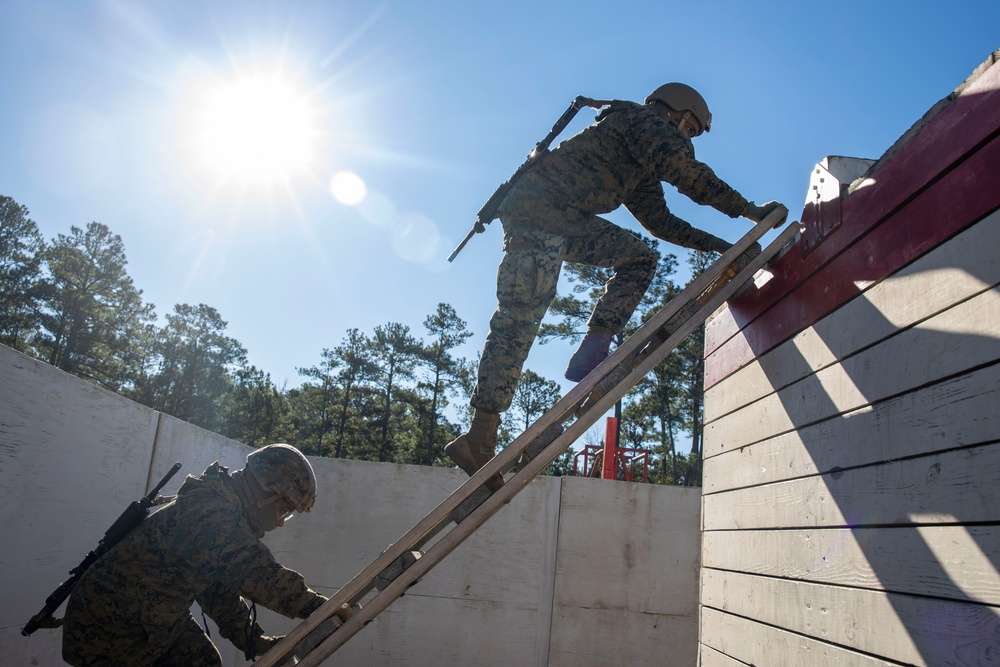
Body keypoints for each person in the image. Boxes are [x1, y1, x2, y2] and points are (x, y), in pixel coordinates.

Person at [446, 82, 784, 487]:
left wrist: (723, 248)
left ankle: (593, 349)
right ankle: (479, 437)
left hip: (564, 220)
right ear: (674, 113)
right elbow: (688, 175)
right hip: (538, 218)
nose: (687, 139)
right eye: (689, 129)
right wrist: (748, 211)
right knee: (518, 321)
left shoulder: (635, 157)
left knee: (638, 256)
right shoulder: (641, 123)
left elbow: (661, 223)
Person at [61, 443, 351, 667]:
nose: (279, 521)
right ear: (266, 492)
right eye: (283, 509)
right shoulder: (212, 513)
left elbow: (216, 591)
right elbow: (256, 573)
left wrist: (252, 640)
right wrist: (319, 607)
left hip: (146, 614)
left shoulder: (219, 506)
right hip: (108, 626)